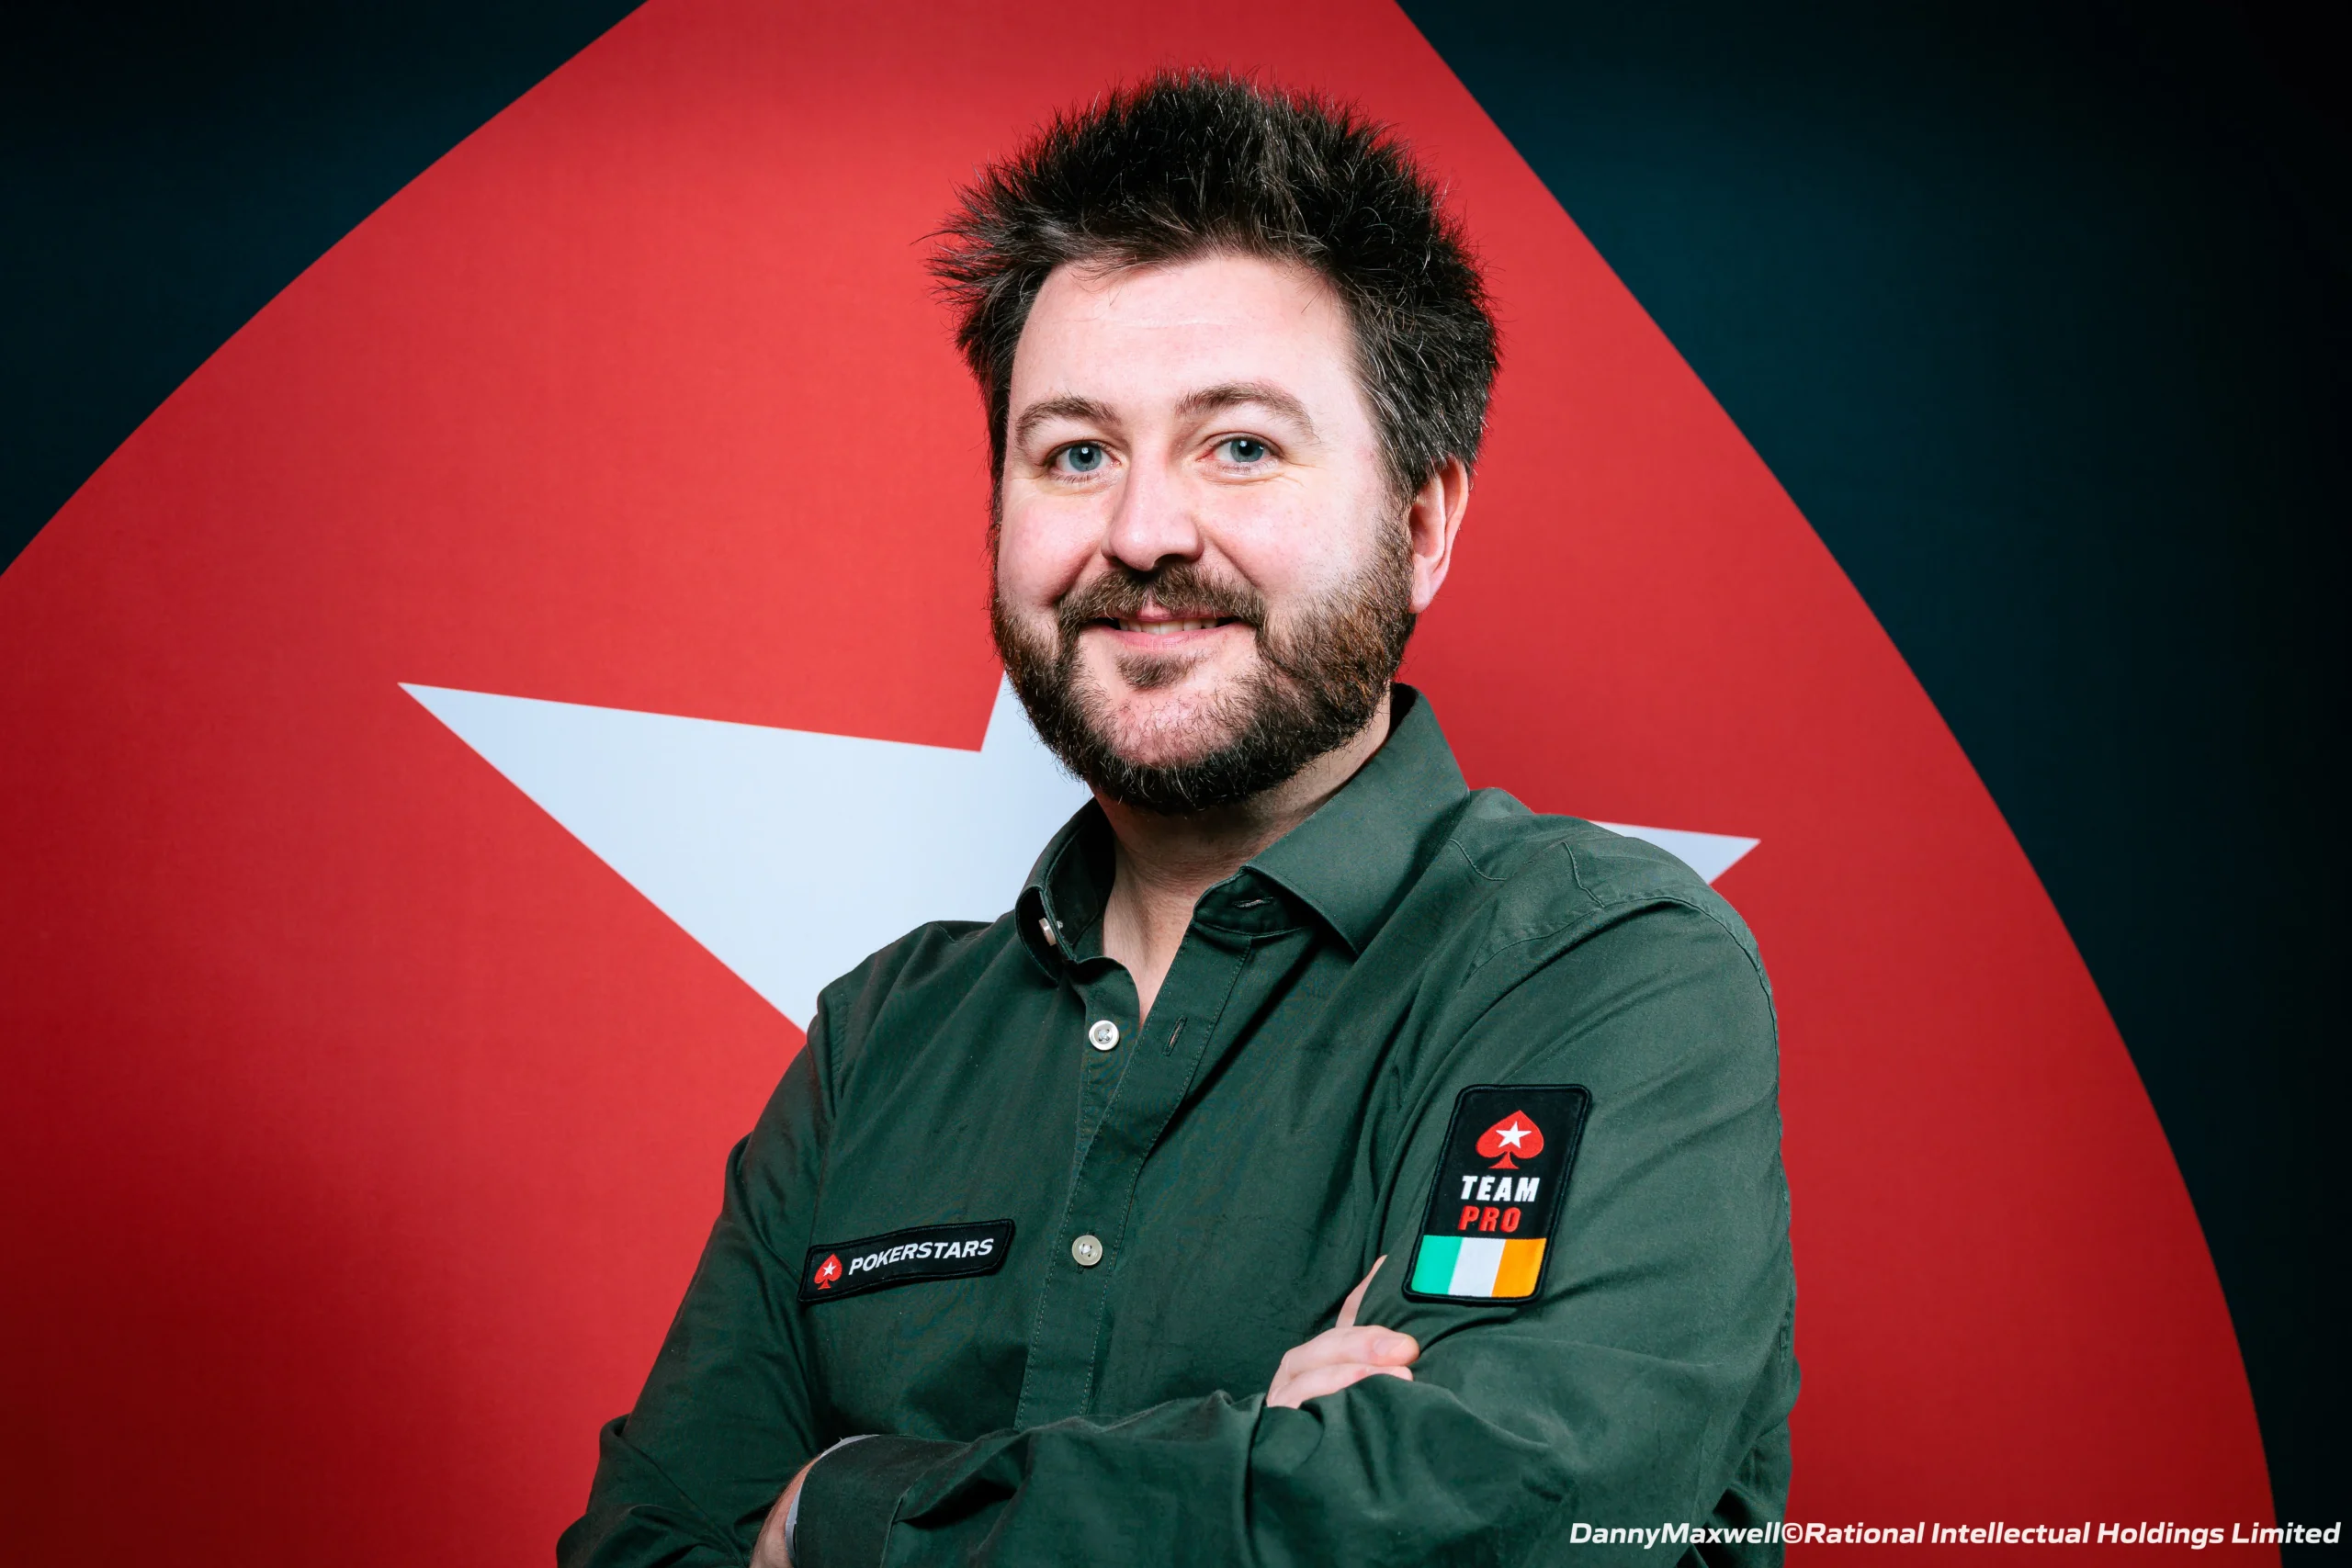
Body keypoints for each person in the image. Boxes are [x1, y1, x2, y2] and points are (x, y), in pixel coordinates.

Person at [560, 73, 1795, 1567]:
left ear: (1421, 526)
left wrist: (842, 1512)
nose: (1143, 532)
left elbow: (1482, 1525)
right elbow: (641, 1549)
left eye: (1242, 446)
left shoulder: (1599, 968)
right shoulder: (878, 1042)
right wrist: (1264, 1462)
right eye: (1076, 453)